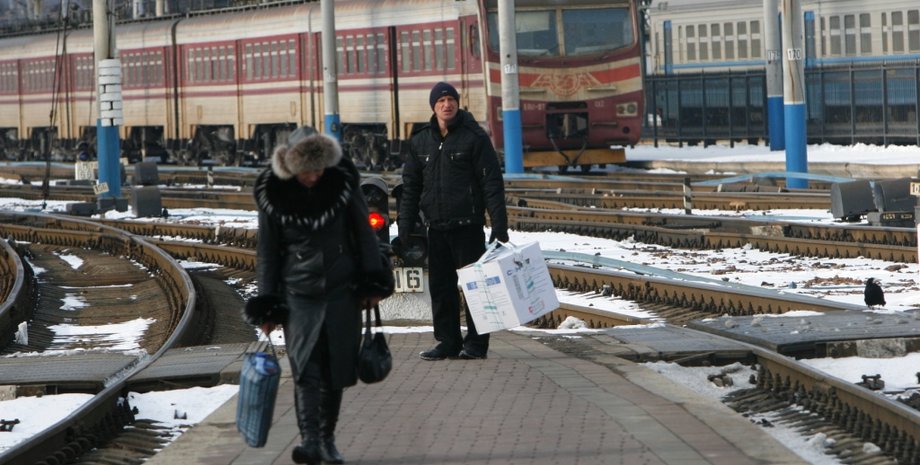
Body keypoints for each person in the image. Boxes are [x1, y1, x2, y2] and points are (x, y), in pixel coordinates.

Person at [252, 132, 393, 465]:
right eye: (306, 171)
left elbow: (363, 234)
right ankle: (311, 441)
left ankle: (327, 439)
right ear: (292, 168)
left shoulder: (342, 183)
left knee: (335, 369)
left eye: (318, 170)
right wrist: (267, 305)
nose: (313, 177)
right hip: (298, 294)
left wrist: (372, 283)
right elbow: (268, 253)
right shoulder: (273, 192)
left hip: (341, 291)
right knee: (306, 369)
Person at [398, 81, 508, 361]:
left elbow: (491, 183)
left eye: (451, 100)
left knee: (476, 288)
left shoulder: (474, 137)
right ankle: (447, 341)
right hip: (436, 227)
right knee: (441, 289)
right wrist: (405, 225)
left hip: (467, 226)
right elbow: (410, 187)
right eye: (441, 101)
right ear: (433, 107)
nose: (447, 105)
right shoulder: (420, 140)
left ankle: (476, 344)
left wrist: (499, 225)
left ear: (458, 104)